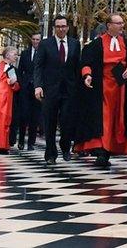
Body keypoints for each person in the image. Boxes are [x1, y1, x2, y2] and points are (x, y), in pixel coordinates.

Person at [74, 13, 127, 168]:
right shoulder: (96, 44)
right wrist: (87, 75)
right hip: (102, 87)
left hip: (121, 88)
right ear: (109, 25)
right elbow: (86, 63)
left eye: (123, 23)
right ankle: (102, 152)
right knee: (104, 119)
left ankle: (111, 149)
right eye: (118, 23)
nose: (121, 26)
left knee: (118, 120)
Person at [33, 15, 82, 164]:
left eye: (63, 26)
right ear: (54, 28)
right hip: (50, 89)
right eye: (58, 26)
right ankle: (50, 153)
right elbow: (38, 66)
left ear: (67, 27)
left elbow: (76, 67)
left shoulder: (74, 44)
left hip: (69, 89)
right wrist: (38, 86)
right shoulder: (45, 44)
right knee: (49, 122)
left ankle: (65, 147)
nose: (61, 29)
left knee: (67, 121)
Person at [12, 33, 41, 151]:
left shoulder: (44, 53)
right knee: (23, 115)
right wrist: (21, 83)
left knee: (35, 116)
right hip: (25, 88)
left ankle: (31, 143)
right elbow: (20, 70)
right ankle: (21, 141)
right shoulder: (25, 53)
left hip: (38, 88)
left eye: (37, 40)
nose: (35, 41)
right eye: (33, 39)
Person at [0, 47, 21, 154]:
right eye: (15, 54)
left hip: (8, 100)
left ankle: (3, 145)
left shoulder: (12, 69)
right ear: (7, 55)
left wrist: (13, 83)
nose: (16, 57)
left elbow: (17, 87)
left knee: (5, 122)